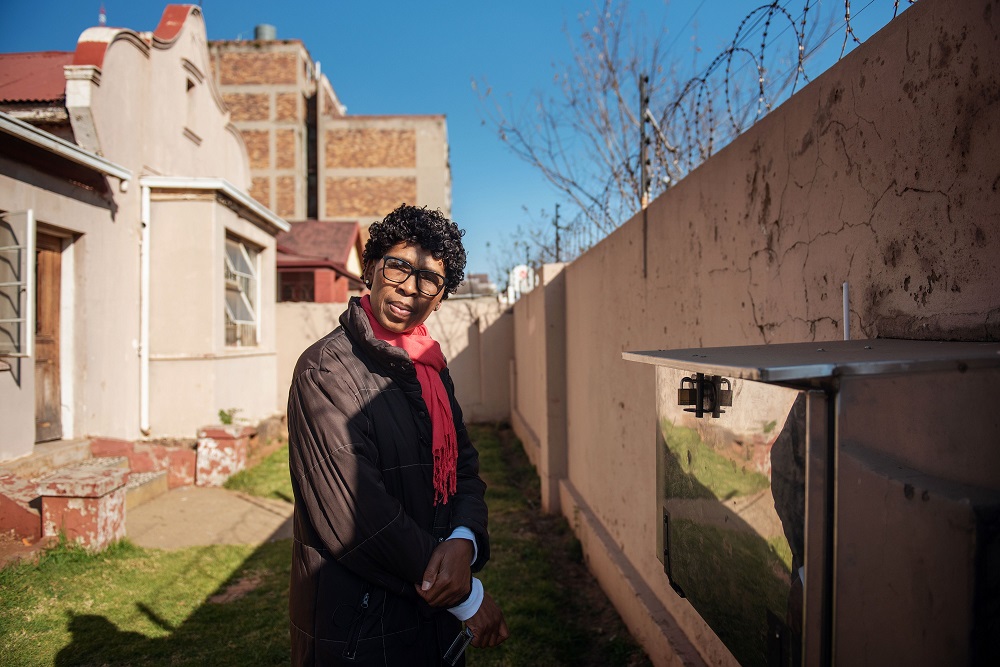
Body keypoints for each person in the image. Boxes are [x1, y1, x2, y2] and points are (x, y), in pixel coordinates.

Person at [287, 204, 509, 666]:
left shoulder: (428, 365)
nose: (411, 286)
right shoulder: (325, 370)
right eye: (399, 266)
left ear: (441, 296)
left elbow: (463, 467)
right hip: (361, 629)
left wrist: (464, 541)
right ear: (371, 268)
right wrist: (463, 597)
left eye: (430, 279)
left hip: (433, 626)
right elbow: (357, 514)